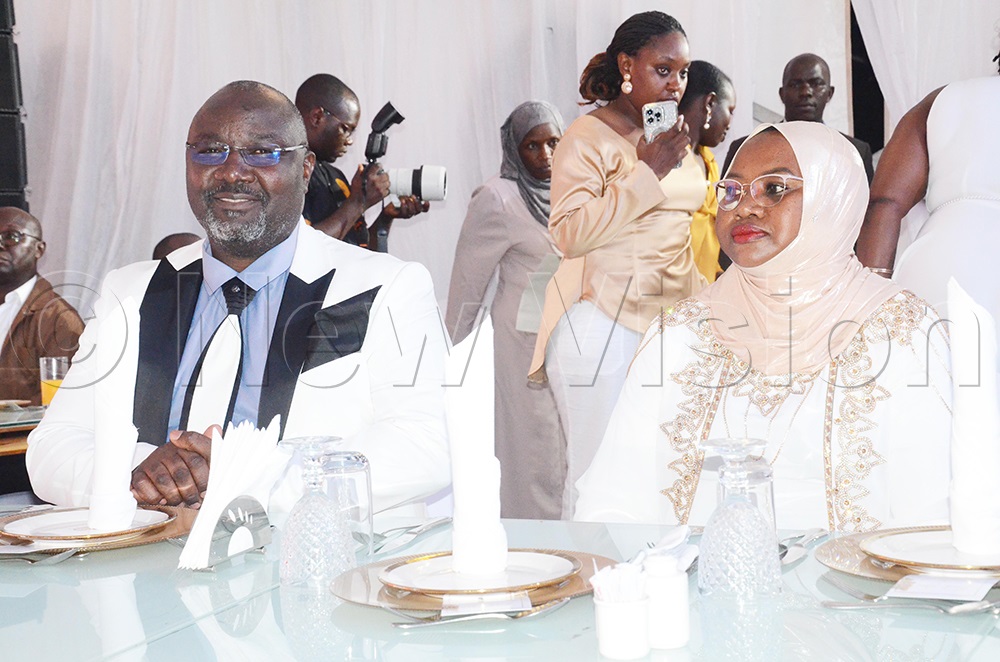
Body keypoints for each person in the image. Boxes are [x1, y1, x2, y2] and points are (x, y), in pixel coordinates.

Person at [26, 81, 450, 515]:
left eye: (262, 152)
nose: (232, 172)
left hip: (307, 551)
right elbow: (53, 446)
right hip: (149, 550)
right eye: (210, 151)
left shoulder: (385, 287)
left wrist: (246, 478)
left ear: (306, 169)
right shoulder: (132, 292)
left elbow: (427, 443)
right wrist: (140, 472)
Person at [575, 122, 952, 531]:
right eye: (731, 191)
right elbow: (615, 499)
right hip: (693, 570)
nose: (744, 207)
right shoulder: (681, 332)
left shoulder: (900, 331)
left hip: (860, 573)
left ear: (833, 198)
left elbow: (934, 516)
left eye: (774, 189)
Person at [529, 11, 708, 519]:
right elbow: (569, 234)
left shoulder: (671, 136)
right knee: (597, 480)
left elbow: (678, 233)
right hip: (601, 323)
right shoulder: (586, 136)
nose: (676, 85)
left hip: (672, 327)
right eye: (663, 70)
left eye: (683, 73)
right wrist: (648, 171)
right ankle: (591, 567)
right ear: (627, 65)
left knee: (669, 473)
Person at [446, 100, 567, 520]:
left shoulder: (575, 190)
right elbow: (467, 283)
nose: (546, 155)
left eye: (554, 142)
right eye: (532, 146)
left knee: (570, 449)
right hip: (524, 345)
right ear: (514, 149)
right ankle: (533, 544)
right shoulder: (497, 198)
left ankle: (571, 540)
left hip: (575, 341)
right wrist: (450, 364)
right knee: (534, 450)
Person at [856, 53, 1000, 374]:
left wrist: (867, 304)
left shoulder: (944, 99)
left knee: (927, 388)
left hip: (941, 265)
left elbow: (884, 204)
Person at [295, 73, 429, 251]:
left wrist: (385, 218)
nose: (350, 140)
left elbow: (360, 252)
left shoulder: (336, 177)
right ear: (317, 117)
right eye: (345, 129)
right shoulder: (287, 172)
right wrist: (358, 202)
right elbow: (302, 250)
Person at [722, 53, 874, 183]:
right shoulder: (744, 148)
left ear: (829, 94)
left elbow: (865, 207)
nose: (805, 92)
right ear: (782, 94)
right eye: (795, 85)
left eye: (816, 84)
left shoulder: (854, 152)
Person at [0, 207, 84, 405]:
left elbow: (63, 404)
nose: (0, 245)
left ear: (39, 249)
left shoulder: (59, 320)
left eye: (11, 236)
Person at [677, 61, 736, 283]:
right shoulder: (667, 158)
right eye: (730, 110)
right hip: (666, 286)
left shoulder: (709, 161)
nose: (730, 124)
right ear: (710, 103)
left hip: (703, 288)